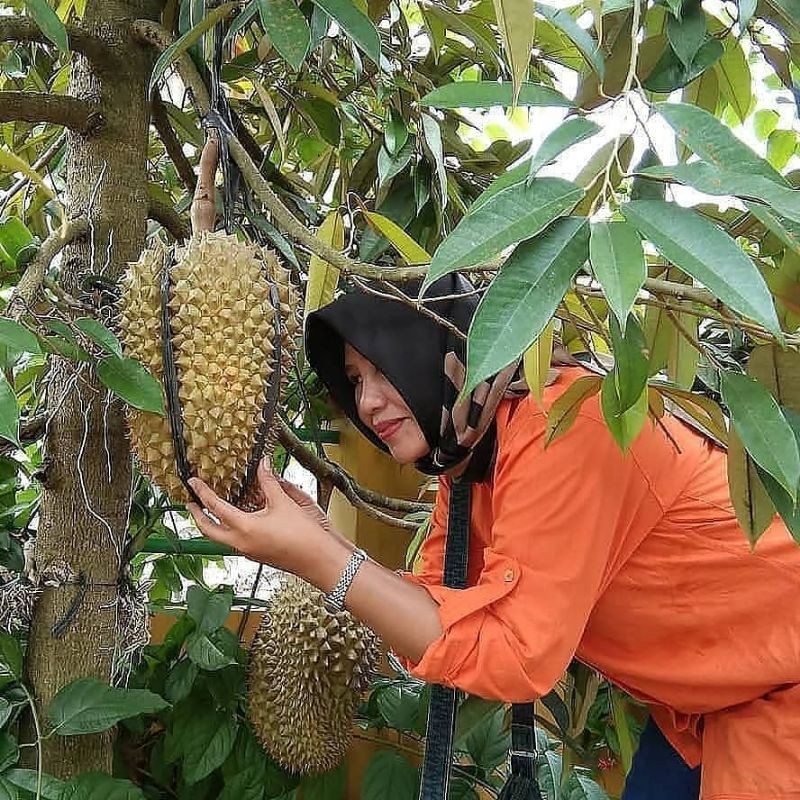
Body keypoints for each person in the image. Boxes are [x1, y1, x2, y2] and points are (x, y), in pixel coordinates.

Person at [186, 274, 800, 800]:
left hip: (780, 692)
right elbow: (430, 616)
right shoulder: (472, 455)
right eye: (354, 380)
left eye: (382, 367)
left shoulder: (565, 425)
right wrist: (322, 541)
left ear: (433, 347)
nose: (367, 401)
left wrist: (321, 559)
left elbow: (515, 654)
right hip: (702, 707)